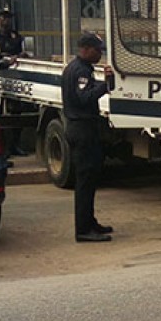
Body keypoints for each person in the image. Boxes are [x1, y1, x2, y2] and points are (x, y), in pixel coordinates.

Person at [62, 33, 114, 242]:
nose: (99, 54)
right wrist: (106, 84)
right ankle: (83, 230)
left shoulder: (80, 68)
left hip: (84, 128)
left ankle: (89, 222)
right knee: (84, 182)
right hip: (81, 129)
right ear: (85, 49)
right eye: (97, 49)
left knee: (91, 180)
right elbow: (85, 98)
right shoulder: (80, 71)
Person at [0, 9, 29, 156]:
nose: (6, 21)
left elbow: (22, 52)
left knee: (16, 113)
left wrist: (19, 56)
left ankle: (15, 145)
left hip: (15, 78)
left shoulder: (15, 36)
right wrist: (9, 57)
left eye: (8, 18)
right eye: (3, 17)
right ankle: (4, 147)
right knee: (1, 116)